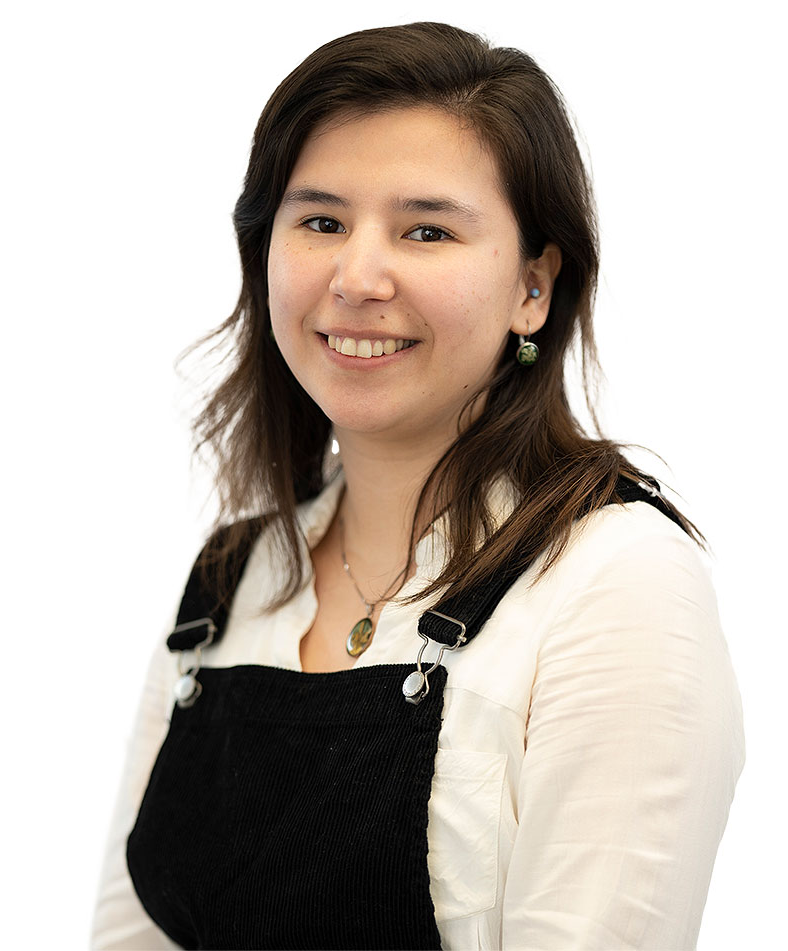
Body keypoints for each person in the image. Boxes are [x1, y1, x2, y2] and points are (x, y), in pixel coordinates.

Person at [91, 21, 745, 951]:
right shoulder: (231, 581)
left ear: (533, 286)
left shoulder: (616, 584)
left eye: (426, 230)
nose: (357, 277)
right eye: (321, 222)